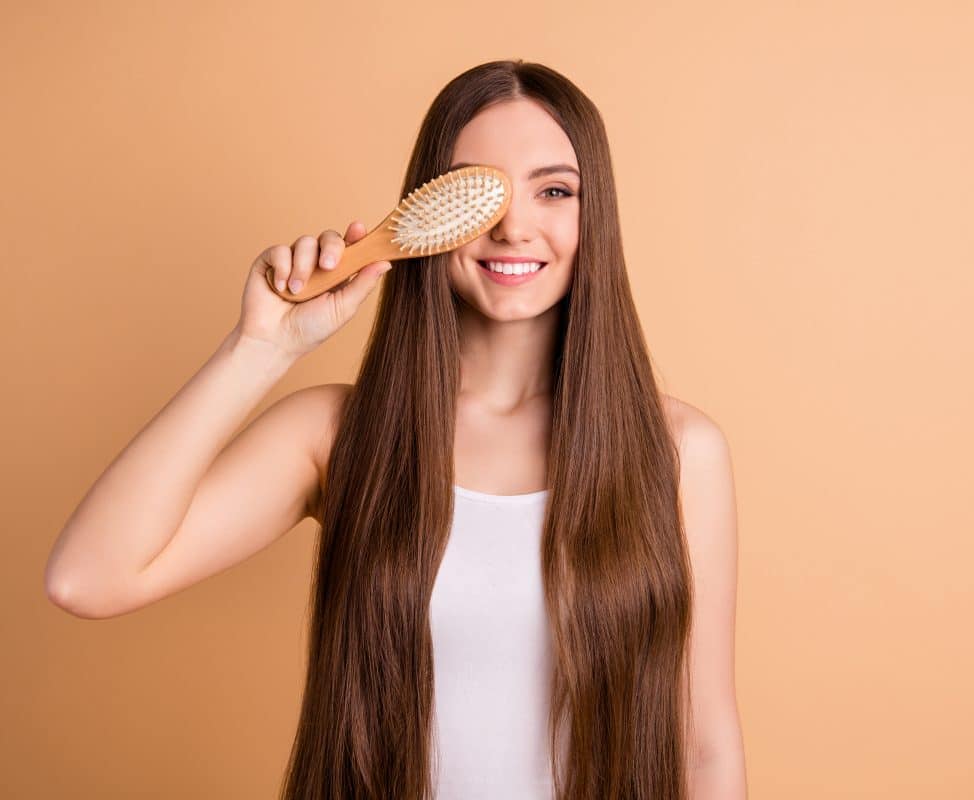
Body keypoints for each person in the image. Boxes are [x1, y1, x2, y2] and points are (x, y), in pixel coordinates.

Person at [44, 60, 745, 800]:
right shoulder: (338, 435)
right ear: (427, 212)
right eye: (480, 194)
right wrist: (260, 348)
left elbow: (704, 746)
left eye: (554, 191)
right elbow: (87, 578)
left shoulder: (677, 453)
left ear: (594, 214)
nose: (513, 226)